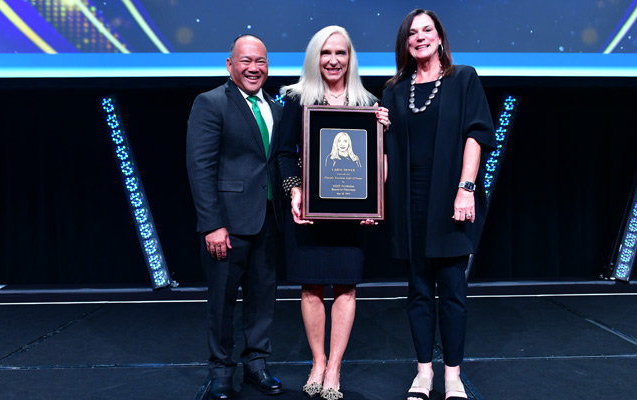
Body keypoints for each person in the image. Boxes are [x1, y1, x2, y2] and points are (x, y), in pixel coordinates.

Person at [382, 9, 495, 400]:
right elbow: (384, 154)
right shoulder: (394, 90)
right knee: (416, 291)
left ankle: (452, 376)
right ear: (405, 43)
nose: (420, 37)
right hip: (409, 202)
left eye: (427, 30)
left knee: (452, 291)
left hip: (450, 200)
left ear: (440, 36)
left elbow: (476, 135)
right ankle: (423, 374)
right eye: (412, 33)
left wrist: (466, 188)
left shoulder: (463, 78)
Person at [275, 26, 389, 400]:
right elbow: (284, 152)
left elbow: (377, 164)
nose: (333, 60)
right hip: (308, 212)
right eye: (326, 53)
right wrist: (295, 191)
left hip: (351, 217)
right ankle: (318, 362)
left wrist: (376, 198)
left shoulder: (367, 104)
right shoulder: (296, 98)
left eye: (340, 53)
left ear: (350, 57)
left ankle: (335, 368)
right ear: (314, 57)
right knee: (310, 288)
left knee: (345, 287)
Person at [186, 34, 284, 400]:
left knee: (263, 299)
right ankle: (221, 371)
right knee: (221, 301)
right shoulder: (210, 103)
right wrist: (212, 224)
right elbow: (200, 168)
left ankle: (257, 365)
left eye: (260, 61)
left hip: (268, 221)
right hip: (225, 225)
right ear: (230, 65)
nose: (253, 68)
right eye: (246, 61)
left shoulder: (276, 107)